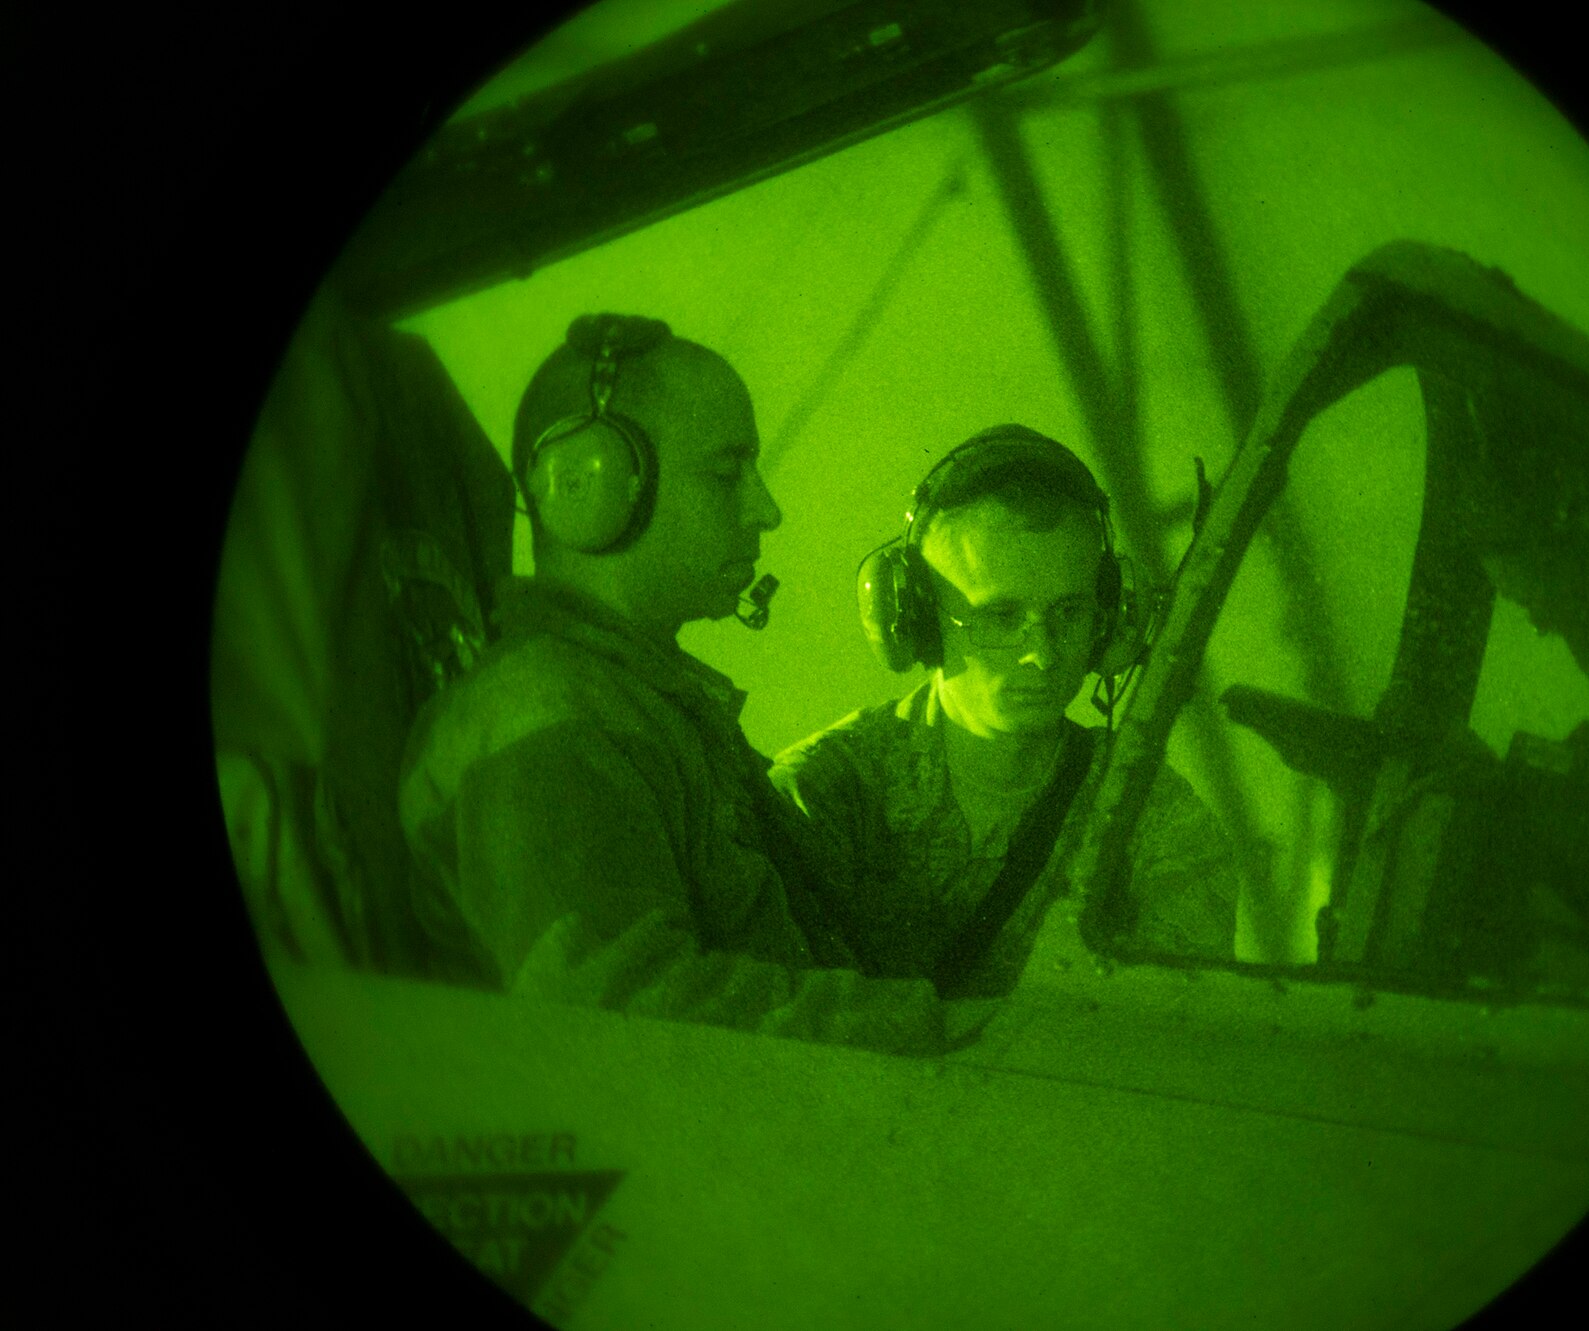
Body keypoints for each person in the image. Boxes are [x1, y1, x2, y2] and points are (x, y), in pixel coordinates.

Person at [398, 313, 983, 1054]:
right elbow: (612, 1007)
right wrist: (937, 1026)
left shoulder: (636, 701)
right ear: (592, 488)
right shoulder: (547, 715)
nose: (764, 508)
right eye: (725, 471)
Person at [770, 425, 1240, 999]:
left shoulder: (1148, 812)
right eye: (999, 618)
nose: (1041, 656)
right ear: (917, 619)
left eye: (1068, 613)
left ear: (1110, 615)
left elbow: (1179, 1029)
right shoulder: (821, 795)